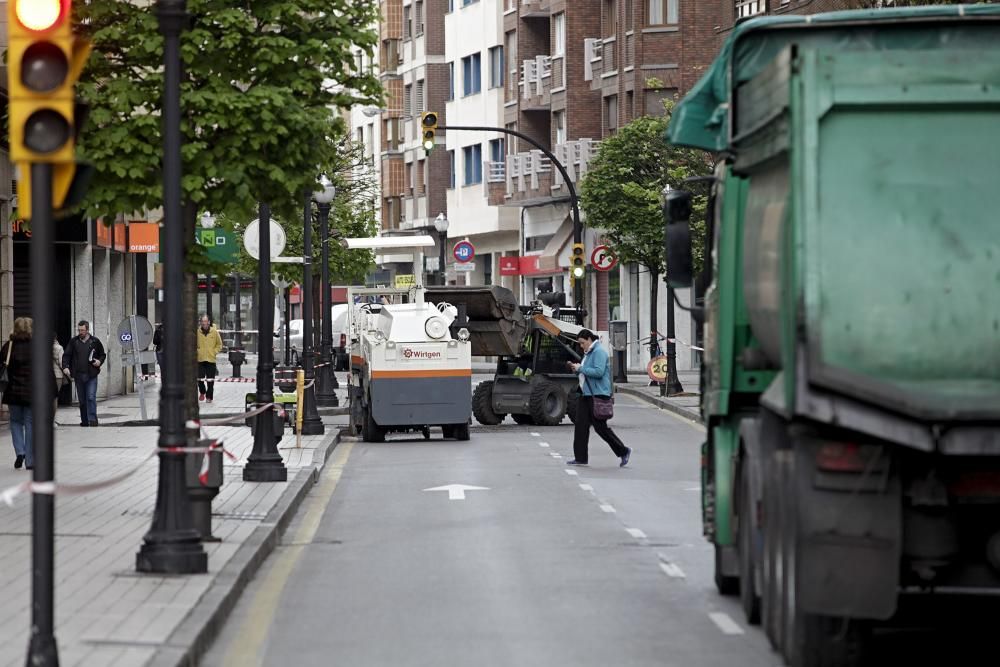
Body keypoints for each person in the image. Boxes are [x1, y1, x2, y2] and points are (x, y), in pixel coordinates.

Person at [566, 329, 631, 467]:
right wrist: (577, 370)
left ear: (589, 339)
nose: (581, 346)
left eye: (582, 343)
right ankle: (580, 458)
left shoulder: (599, 352)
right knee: (580, 426)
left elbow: (599, 372)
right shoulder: (589, 353)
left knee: (600, 428)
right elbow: (586, 373)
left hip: (597, 394)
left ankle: (623, 451)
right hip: (586, 394)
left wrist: (580, 369)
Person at [3, 318, 54, 469]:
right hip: (32, 393)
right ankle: (30, 460)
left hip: (13, 392)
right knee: (30, 424)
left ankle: (20, 451)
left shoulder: (9, 346)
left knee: (15, 422)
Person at [62, 320, 106, 427]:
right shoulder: (74, 341)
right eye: (79, 330)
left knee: (90, 397)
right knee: (82, 400)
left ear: (87, 330)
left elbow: (102, 354)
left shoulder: (95, 341)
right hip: (78, 375)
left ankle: (93, 420)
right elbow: (66, 355)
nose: (80, 332)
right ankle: (85, 421)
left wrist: (99, 361)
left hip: (91, 375)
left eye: (82, 330)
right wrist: (66, 366)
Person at [197, 314, 223, 403]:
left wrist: (214, 352)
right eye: (202, 321)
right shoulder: (197, 332)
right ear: (201, 323)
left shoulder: (214, 332)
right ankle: (202, 392)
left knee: (210, 380)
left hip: (211, 360)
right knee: (199, 379)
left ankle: (209, 397)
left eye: (206, 321)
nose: (204, 323)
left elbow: (219, 345)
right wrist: (197, 351)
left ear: (209, 322)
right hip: (200, 359)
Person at [52, 334, 64, 427]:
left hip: (46, 376)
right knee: (54, 398)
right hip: (57, 376)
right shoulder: (59, 348)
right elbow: (61, 362)